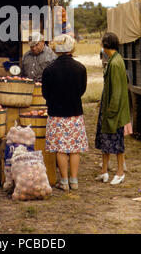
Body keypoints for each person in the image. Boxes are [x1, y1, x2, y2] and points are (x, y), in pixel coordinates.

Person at [42, 34, 88, 192]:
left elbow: (45, 93)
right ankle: (74, 181)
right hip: (75, 112)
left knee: (60, 149)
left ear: (56, 48)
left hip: (56, 114)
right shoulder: (81, 68)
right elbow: (82, 90)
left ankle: (64, 181)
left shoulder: (49, 70)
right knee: (75, 148)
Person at [95, 32, 131, 185]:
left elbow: (116, 92)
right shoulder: (113, 60)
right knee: (105, 141)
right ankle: (104, 171)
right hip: (108, 109)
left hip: (113, 112)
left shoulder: (115, 63)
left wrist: (111, 112)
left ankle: (120, 172)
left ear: (106, 45)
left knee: (117, 142)